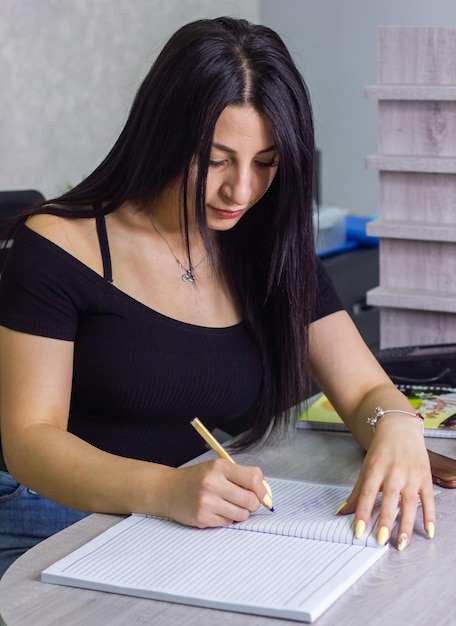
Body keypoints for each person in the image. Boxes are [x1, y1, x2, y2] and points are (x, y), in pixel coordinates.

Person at [0, 16, 434, 577]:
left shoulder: (266, 246)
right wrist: (163, 488)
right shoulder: (60, 245)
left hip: (176, 520)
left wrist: (397, 424)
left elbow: (364, 387)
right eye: (216, 161)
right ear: (163, 135)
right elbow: (30, 441)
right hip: (50, 513)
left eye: (266, 164)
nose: (241, 191)